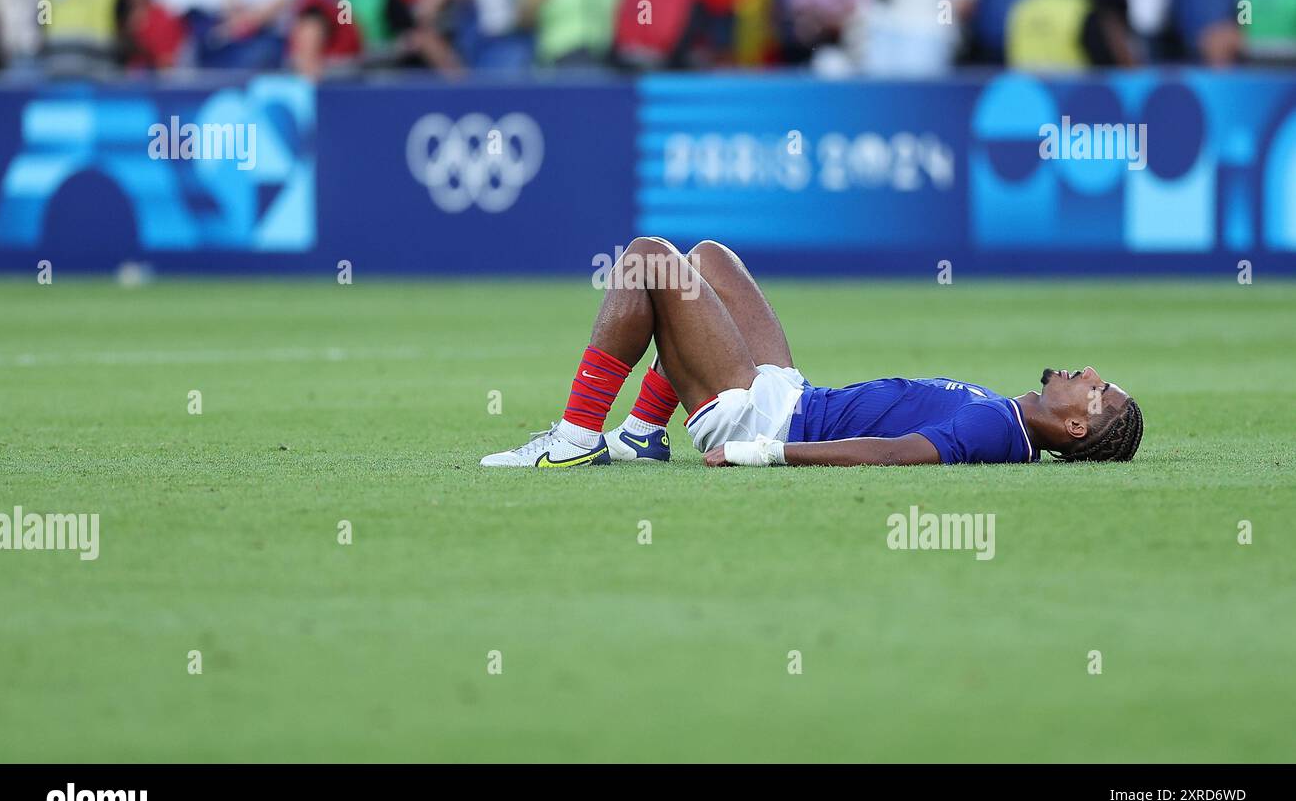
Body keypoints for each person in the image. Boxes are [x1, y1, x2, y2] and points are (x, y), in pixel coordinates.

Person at [480, 237, 1143, 468]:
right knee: (708, 259)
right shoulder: (1007, 418)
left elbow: (890, 455)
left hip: (763, 421)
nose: (1087, 374)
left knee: (650, 260)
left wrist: (767, 452)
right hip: (793, 396)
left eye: (1096, 389)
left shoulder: (995, 428)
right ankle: (642, 436)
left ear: (1078, 426)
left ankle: (573, 439)